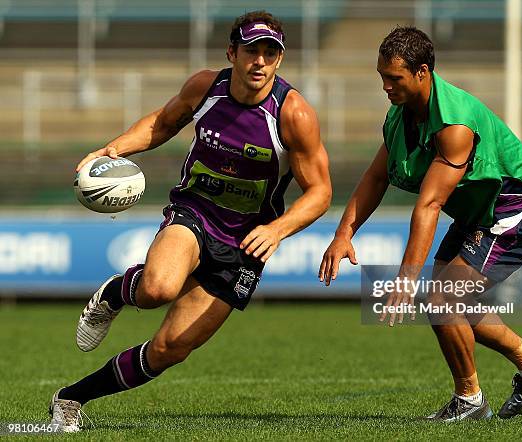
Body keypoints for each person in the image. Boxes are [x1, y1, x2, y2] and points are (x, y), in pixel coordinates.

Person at [49, 10, 332, 432]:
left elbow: (321, 192)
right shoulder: (206, 87)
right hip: (194, 212)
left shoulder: (294, 114)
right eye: (251, 51)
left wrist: (276, 229)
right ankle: (116, 291)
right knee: (157, 287)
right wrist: (114, 149)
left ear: (279, 60)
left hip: (246, 242)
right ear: (231, 52)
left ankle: (70, 399)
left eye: (270, 54)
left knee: (169, 349)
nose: (260, 62)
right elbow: (161, 124)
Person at [319, 26, 522, 422]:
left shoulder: (455, 124)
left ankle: (470, 402)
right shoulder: (400, 116)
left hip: (515, 211)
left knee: (443, 301)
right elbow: (376, 177)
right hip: (477, 213)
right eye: (381, 76)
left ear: (422, 73)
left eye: (394, 78)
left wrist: (405, 277)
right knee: (447, 304)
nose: (385, 86)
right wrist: (343, 233)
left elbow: (430, 204)